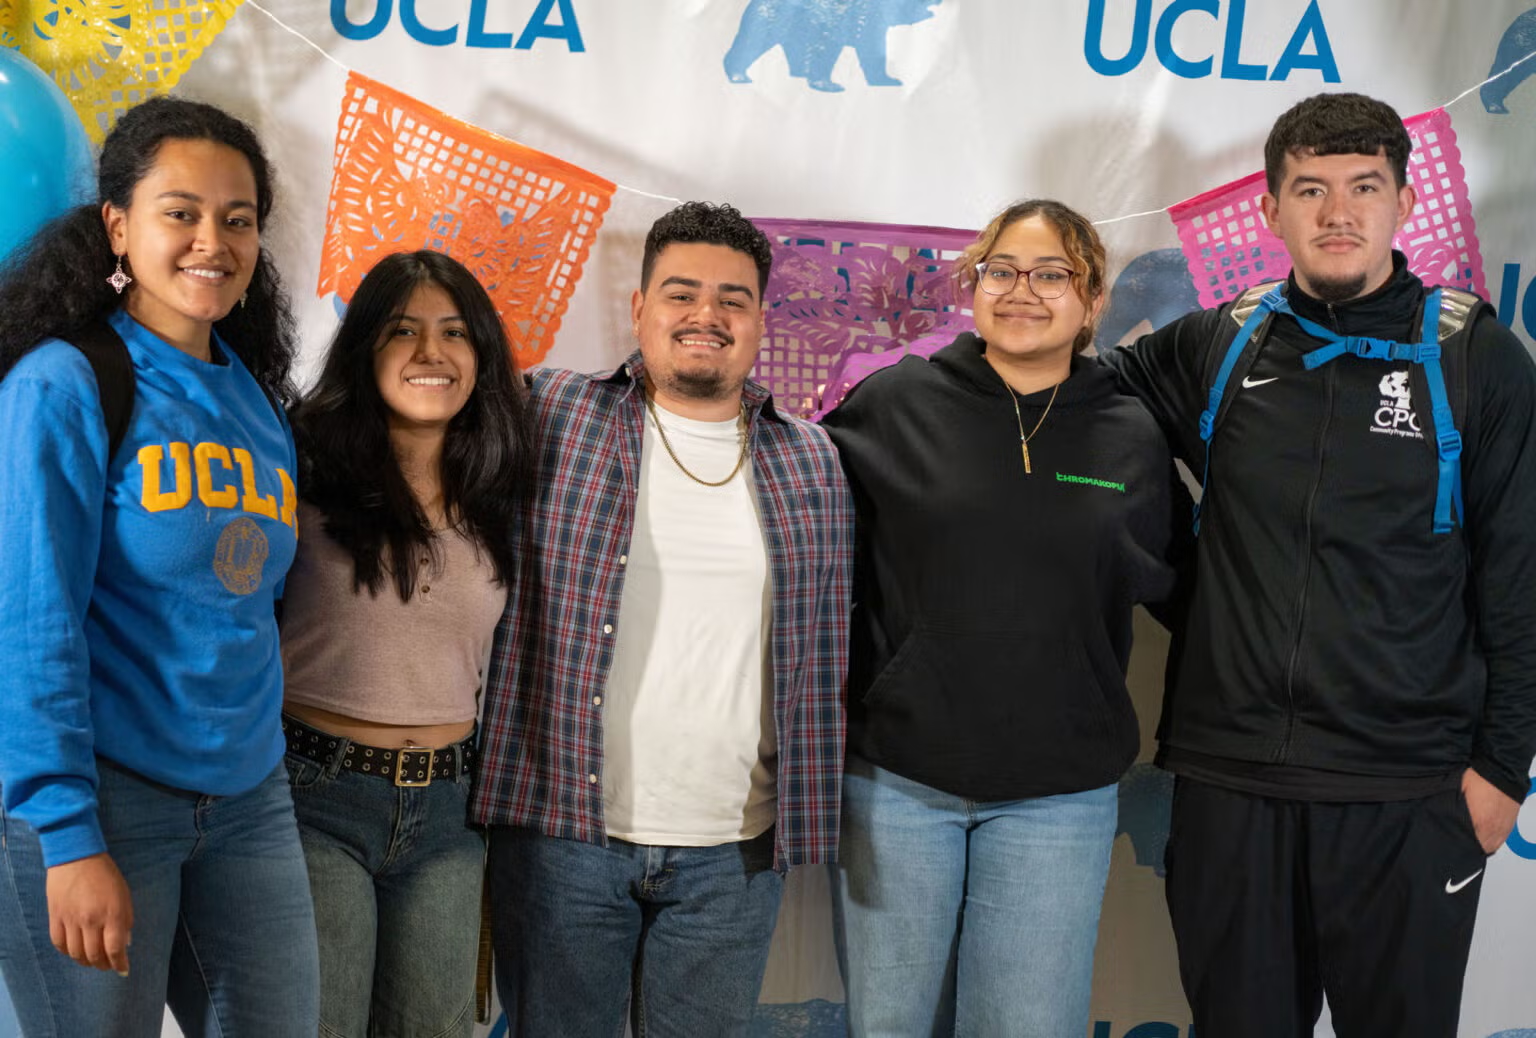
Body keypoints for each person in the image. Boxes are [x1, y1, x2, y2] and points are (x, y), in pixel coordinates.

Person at [1104, 92, 1536, 1037]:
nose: (1337, 213)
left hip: (1408, 789)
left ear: (1404, 201)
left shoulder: (1478, 358)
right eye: (1310, 189)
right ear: (1270, 210)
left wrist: (1505, 764)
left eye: (1363, 188)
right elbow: (1090, 414)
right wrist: (1192, 576)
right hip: (1233, 781)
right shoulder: (1222, 342)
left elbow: (1521, 571)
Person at [472, 200, 854, 1037]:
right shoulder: (550, 412)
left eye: (733, 298)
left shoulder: (813, 460)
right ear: (639, 309)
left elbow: (824, 657)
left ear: (759, 319)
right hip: (564, 838)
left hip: (734, 854)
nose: (706, 316)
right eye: (681, 293)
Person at [820, 199, 1185, 1037]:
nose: (1024, 290)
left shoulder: (1131, 434)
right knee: (887, 1025)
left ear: (1092, 301)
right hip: (899, 784)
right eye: (1003, 271)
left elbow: (1192, 591)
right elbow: (798, 533)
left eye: (1053, 273)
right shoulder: (894, 402)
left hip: (1058, 798)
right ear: (974, 285)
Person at [0, 97, 317, 1035]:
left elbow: (249, 608)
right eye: (179, 211)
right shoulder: (63, 383)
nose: (210, 240)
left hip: (249, 802)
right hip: (102, 803)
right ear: (117, 224)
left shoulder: (258, 402)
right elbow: (29, 622)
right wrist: (64, 831)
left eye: (238, 218)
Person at [279, 250, 533, 1037]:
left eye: (455, 333)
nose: (432, 352)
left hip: (451, 813)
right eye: (404, 330)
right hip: (316, 795)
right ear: (365, 348)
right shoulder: (300, 467)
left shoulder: (501, 486)